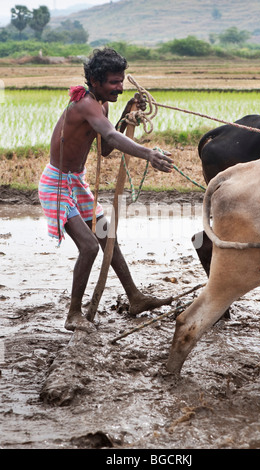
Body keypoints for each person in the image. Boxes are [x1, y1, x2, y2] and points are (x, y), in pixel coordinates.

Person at [39, 48, 174, 333]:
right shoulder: (86, 104)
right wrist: (148, 153)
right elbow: (110, 136)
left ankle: (135, 298)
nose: (120, 87)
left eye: (121, 81)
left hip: (76, 181)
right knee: (89, 246)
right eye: (114, 82)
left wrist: (126, 118)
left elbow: (105, 148)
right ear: (95, 82)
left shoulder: (102, 106)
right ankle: (73, 314)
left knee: (106, 236)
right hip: (58, 184)